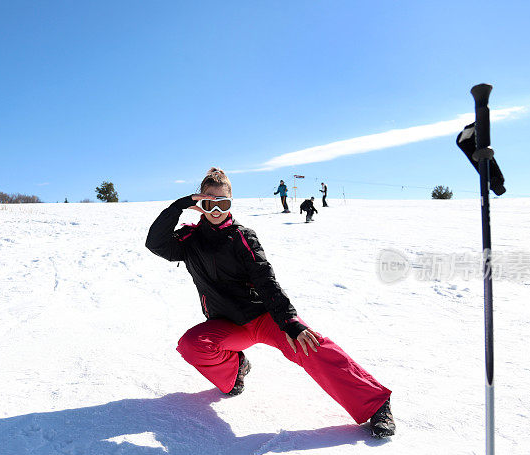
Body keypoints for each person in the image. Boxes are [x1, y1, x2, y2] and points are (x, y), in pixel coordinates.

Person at [145, 167, 395, 437]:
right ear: (199, 204)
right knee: (192, 345)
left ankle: (375, 404)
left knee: (309, 343)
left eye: (223, 203)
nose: (216, 210)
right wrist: (180, 205)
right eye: (208, 203)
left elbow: (266, 281)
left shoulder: (242, 236)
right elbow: (155, 243)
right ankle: (235, 370)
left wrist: (290, 322)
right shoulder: (188, 239)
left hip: (264, 317)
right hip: (226, 325)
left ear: (231, 204)